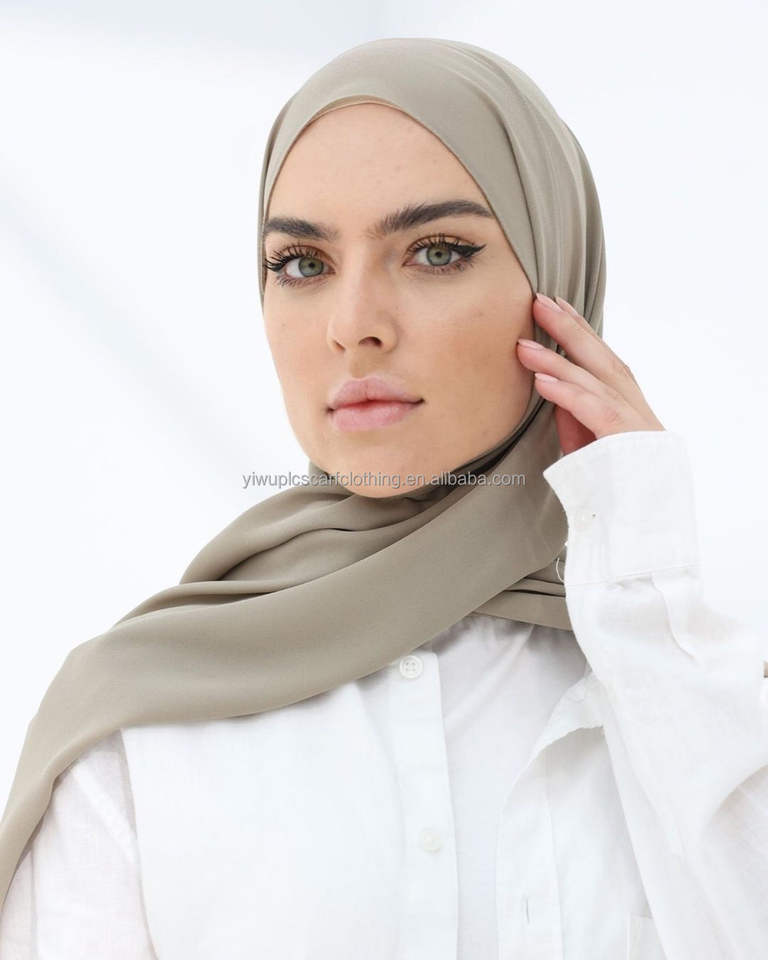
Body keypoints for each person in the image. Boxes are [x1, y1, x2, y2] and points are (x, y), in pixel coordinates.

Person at [1, 37, 767, 959]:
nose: (353, 325)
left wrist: (641, 584)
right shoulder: (138, 722)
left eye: (436, 252)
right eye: (301, 263)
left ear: (556, 278)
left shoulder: (689, 683)